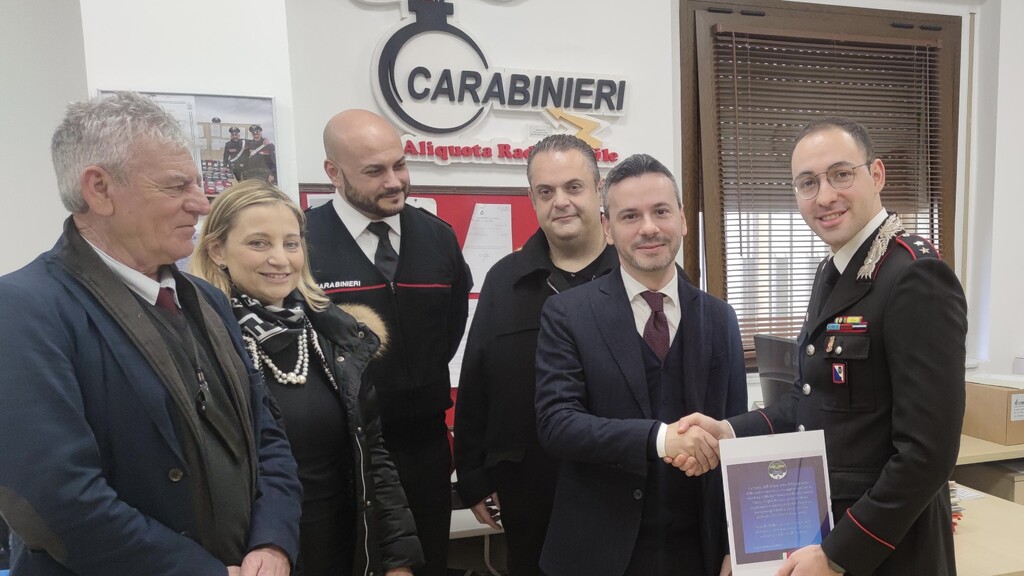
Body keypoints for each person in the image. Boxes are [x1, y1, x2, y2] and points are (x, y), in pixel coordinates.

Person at [0, 91, 302, 575]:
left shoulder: (208, 300)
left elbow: (266, 436)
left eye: (197, 183)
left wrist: (273, 544)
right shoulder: (24, 309)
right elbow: (54, 501)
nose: (201, 203)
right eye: (176, 186)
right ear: (99, 189)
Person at [675, 117, 968, 576]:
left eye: (841, 174)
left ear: (877, 175)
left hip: (887, 549)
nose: (825, 196)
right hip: (825, 530)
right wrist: (728, 431)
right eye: (807, 183)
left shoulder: (914, 276)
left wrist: (838, 554)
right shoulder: (832, 271)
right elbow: (807, 400)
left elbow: (928, 455)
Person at [192, 181, 424, 576]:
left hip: (346, 550)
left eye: (291, 243)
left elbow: (374, 456)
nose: (280, 259)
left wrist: (397, 559)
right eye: (259, 243)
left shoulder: (336, 337)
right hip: (255, 559)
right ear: (217, 250)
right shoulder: (200, 343)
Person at [534, 153, 747, 576]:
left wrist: (736, 544)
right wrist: (661, 439)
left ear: (682, 220)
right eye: (630, 216)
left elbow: (737, 438)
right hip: (599, 554)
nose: (648, 227)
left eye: (661, 211)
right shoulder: (567, 314)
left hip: (699, 553)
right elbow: (557, 424)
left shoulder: (720, 317)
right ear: (608, 229)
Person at [306, 109, 472, 576]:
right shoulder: (303, 243)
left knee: (429, 564)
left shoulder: (437, 237)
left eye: (400, 164)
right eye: (374, 171)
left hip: (425, 448)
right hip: (343, 455)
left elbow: (450, 329)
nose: (395, 181)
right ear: (334, 173)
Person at [453, 134, 619, 575]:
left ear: (598, 189)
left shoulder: (633, 274)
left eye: (573, 187)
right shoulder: (505, 280)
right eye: (546, 191)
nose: (560, 202)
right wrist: (473, 477)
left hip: (621, 487)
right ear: (532, 198)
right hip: (528, 490)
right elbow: (476, 381)